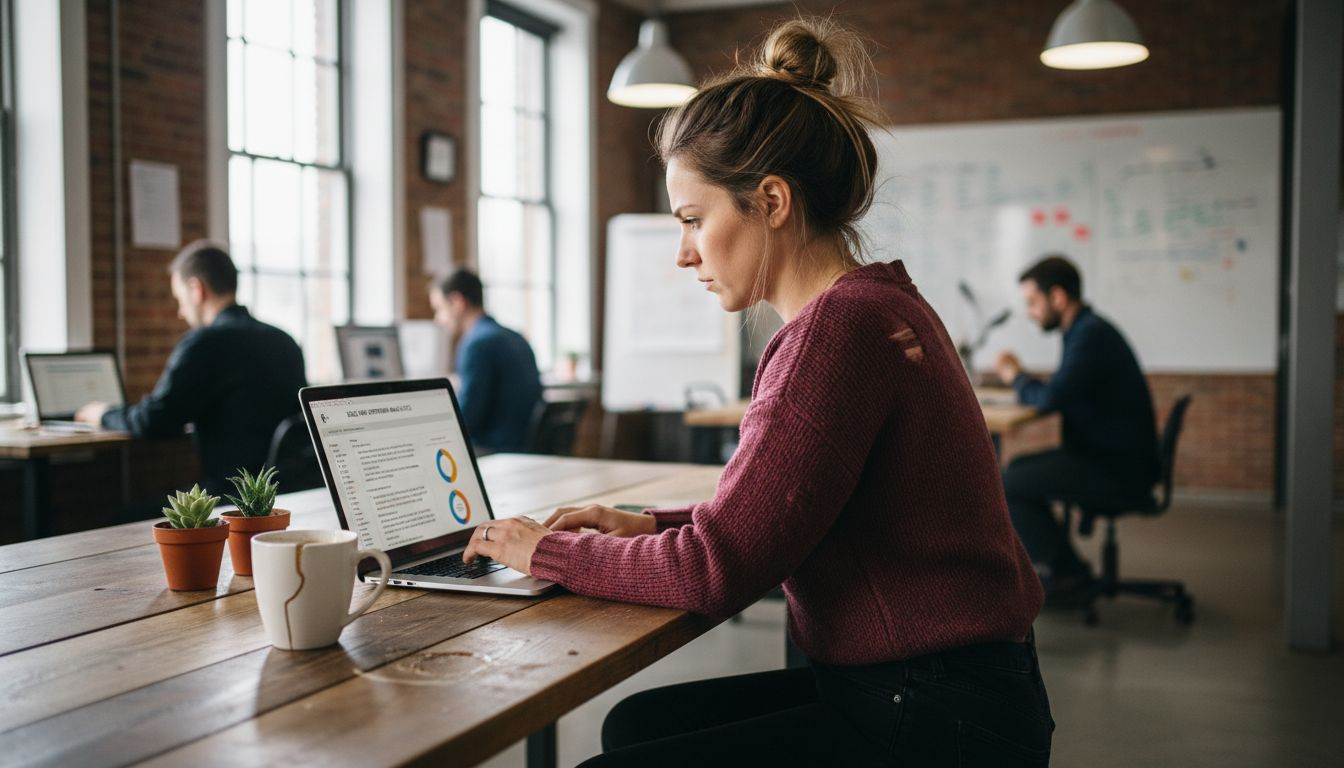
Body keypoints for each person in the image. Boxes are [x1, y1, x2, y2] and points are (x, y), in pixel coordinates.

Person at [460, 18, 1052, 766]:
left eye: (693, 220)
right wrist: (643, 525)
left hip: (932, 716)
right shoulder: (872, 306)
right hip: (954, 690)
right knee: (635, 729)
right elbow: (774, 510)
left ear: (770, 201)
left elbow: (717, 568)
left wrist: (546, 550)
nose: (683, 254)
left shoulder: (837, 334)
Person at [75, 241, 307, 495]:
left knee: (116, 522)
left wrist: (103, 413)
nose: (180, 311)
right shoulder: (284, 340)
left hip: (234, 498)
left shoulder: (205, 342)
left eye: (180, 299)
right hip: (290, 490)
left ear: (197, 290)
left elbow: (155, 420)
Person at [995, 255, 1160, 600]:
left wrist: (1016, 377)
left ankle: (1067, 573)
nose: (1030, 313)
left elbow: (1051, 397)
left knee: (1009, 483)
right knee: (1017, 470)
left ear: (1057, 297)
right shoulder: (1085, 330)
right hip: (1110, 457)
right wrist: (1027, 382)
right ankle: (1065, 566)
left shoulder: (1090, 335)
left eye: (1033, 303)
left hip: (1115, 468)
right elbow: (1061, 389)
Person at [429, 268, 543, 454]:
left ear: (457, 302)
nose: (438, 319)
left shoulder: (476, 344)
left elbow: (466, 420)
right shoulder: (516, 337)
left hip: (494, 449)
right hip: (522, 446)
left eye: (439, 309)